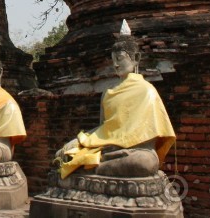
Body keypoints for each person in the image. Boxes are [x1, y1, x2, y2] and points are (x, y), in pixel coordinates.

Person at [55, 21, 176, 178]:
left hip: (135, 151)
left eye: (120, 58)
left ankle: (93, 168)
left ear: (136, 58)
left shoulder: (147, 91)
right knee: (61, 153)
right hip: (107, 147)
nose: (116, 64)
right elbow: (104, 129)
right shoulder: (109, 93)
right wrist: (77, 141)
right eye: (113, 59)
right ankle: (94, 166)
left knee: (144, 163)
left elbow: (148, 142)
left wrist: (120, 145)